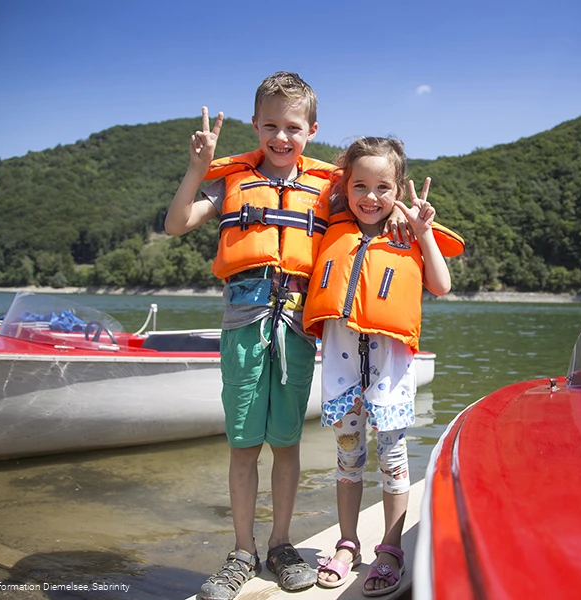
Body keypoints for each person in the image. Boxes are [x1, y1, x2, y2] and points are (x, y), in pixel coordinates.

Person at [165, 72, 407, 599]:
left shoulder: (328, 188)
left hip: (297, 324)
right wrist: (197, 167)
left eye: (292, 127)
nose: (280, 137)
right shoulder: (229, 179)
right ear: (255, 125)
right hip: (244, 321)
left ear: (311, 131)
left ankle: (279, 545)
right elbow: (177, 222)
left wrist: (409, 225)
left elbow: (372, 212)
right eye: (270, 125)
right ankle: (241, 552)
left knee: (287, 441)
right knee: (243, 443)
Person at [302, 137, 464, 596]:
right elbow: (321, 178)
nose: (370, 197)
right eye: (360, 186)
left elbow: (442, 284)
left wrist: (424, 230)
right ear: (346, 186)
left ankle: (390, 548)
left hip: (390, 375)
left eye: (383, 188)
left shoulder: (407, 233)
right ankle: (348, 541)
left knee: (393, 459)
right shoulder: (333, 223)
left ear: (398, 189)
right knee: (347, 460)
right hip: (342, 370)